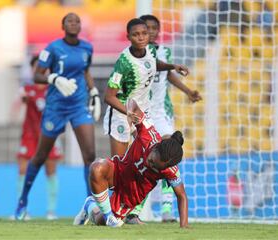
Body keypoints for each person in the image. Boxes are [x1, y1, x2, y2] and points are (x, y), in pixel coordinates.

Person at [15, 12, 101, 220]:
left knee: (89, 155)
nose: (74, 23)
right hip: (55, 107)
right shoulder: (53, 48)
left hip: (78, 105)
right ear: (63, 26)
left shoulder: (86, 47)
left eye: (77, 21)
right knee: (40, 156)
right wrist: (54, 78)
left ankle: (89, 206)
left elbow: (86, 71)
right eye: (69, 21)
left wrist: (94, 92)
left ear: (80, 26)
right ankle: (22, 202)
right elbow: (37, 74)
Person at [126, 14, 202, 223]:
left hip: (161, 111)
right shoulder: (134, 56)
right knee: (147, 158)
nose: (150, 32)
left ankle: (167, 209)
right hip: (143, 111)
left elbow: (168, 74)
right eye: (146, 28)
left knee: (168, 151)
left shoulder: (164, 51)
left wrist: (187, 91)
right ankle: (137, 208)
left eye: (153, 28)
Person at [74, 99, 189, 228]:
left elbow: (181, 196)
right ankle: (109, 217)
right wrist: (129, 111)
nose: (150, 164)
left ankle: (90, 206)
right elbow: (132, 103)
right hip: (118, 170)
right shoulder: (148, 134)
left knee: (99, 221)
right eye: (151, 160)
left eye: (155, 167)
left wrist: (184, 226)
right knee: (97, 167)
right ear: (156, 147)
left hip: (130, 194)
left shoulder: (171, 171)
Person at [103, 18, 189, 158]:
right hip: (122, 114)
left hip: (142, 112)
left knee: (152, 153)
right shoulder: (124, 63)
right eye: (136, 34)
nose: (141, 37)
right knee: (119, 164)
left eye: (144, 33)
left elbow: (153, 63)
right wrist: (128, 112)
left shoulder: (150, 49)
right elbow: (108, 96)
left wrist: (172, 66)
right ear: (129, 37)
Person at [15, 56, 63, 220]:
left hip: (49, 135)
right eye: (37, 67)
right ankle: (22, 209)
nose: (41, 70)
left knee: (51, 171)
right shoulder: (27, 89)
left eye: (43, 67)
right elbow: (20, 101)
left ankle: (51, 211)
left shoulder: (54, 90)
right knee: (22, 170)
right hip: (29, 135)